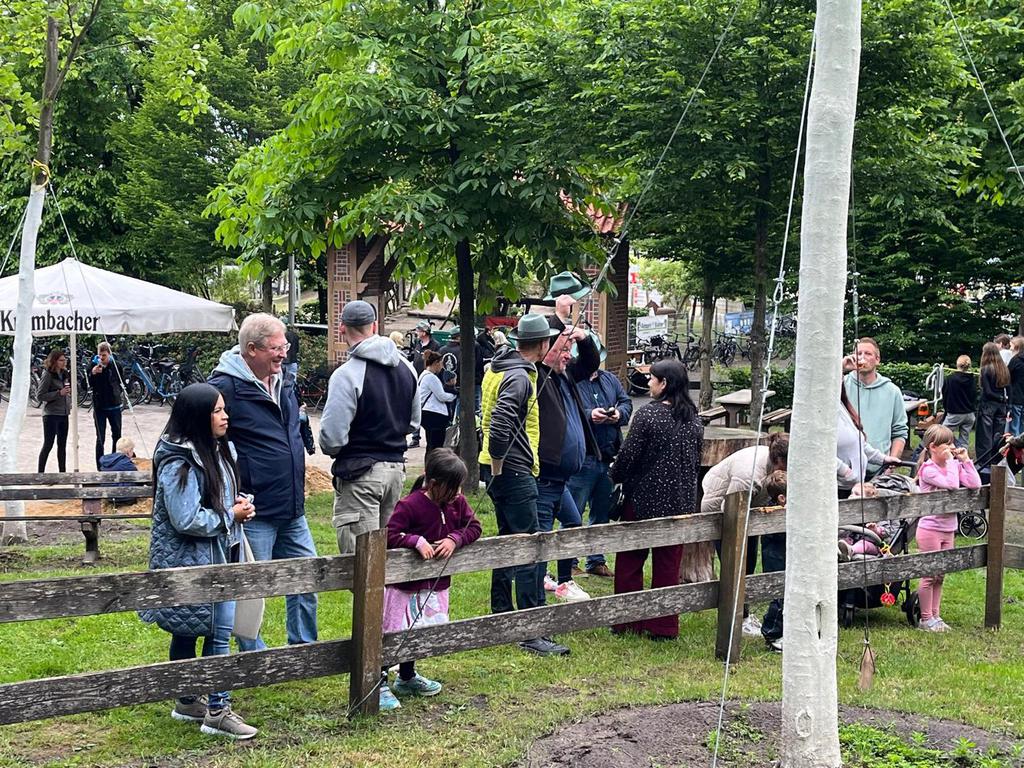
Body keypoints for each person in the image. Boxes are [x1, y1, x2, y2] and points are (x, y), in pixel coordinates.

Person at [138, 383, 258, 740]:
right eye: (217, 411)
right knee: (216, 631)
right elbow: (186, 518)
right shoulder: (180, 461)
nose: (225, 416)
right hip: (192, 559)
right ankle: (217, 711)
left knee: (192, 629)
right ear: (197, 417)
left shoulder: (216, 449)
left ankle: (188, 701)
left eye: (224, 409)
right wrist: (230, 516)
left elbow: (214, 497)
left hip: (217, 553)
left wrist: (238, 503)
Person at [208, 313, 318, 650]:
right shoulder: (224, 388)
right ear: (252, 349)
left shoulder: (284, 380)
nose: (284, 353)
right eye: (276, 348)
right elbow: (207, 446)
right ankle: (254, 656)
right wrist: (230, 492)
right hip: (254, 510)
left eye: (285, 346)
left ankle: (303, 650)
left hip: (292, 507)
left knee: (307, 578)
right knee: (252, 588)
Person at [480, 312, 568, 656]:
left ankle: (501, 616)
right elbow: (502, 421)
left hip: (498, 467)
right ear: (543, 344)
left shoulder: (500, 366)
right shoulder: (519, 376)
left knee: (507, 541)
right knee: (529, 546)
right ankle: (530, 631)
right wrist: (500, 461)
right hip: (512, 469)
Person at [381, 449, 482, 710]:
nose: (458, 493)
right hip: (405, 588)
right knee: (395, 630)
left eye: (459, 486)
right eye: (453, 487)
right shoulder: (410, 505)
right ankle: (378, 682)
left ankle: (407, 677)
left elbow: (474, 527)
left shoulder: (457, 503)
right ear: (434, 484)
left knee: (419, 631)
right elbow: (389, 535)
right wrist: (415, 541)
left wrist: (455, 539)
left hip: (435, 585)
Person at [609, 359, 703, 640]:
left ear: (664, 383)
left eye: (652, 378)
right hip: (680, 503)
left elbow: (628, 456)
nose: (648, 382)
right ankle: (664, 625)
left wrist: (615, 474)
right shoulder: (693, 418)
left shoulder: (648, 415)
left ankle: (628, 621)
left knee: (630, 560)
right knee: (668, 564)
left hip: (643, 499)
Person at [320, 300, 420, 554]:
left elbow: (331, 439)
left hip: (360, 474)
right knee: (385, 556)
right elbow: (413, 423)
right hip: (395, 472)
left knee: (362, 562)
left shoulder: (346, 374)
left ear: (341, 328)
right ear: (374, 326)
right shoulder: (408, 369)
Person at [535, 317, 601, 603]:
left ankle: (564, 580)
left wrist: (582, 338)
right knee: (541, 537)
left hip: (561, 480)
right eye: (563, 350)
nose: (567, 356)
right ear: (545, 348)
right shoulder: (539, 376)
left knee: (573, 524)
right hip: (544, 477)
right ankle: (538, 582)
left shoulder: (566, 375)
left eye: (569, 351)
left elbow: (591, 362)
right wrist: (557, 317)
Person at [698, 433, 790, 637]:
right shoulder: (749, 475)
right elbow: (730, 510)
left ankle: (744, 616)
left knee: (748, 563)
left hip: (750, 510)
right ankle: (735, 621)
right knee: (736, 567)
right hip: (722, 510)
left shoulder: (769, 464)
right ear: (778, 459)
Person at [568, 364, 633, 578]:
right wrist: (589, 415)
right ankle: (569, 562)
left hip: (607, 457)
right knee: (573, 513)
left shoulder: (609, 379)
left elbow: (626, 402)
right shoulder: (571, 380)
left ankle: (596, 560)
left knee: (602, 512)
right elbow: (566, 410)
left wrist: (618, 414)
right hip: (582, 458)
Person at [915, 424, 981, 631]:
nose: (950, 447)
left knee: (941, 574)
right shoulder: (928, 470)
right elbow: (952, 485)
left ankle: (936, 616)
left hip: (948, 527)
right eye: (946, 444)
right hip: (930, 528)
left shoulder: (953, 466)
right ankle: (925, 618)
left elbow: (975, 484)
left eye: (951, 443)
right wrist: (953, 463)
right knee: (929, 574)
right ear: (933, 447)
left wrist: (966, 461)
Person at [842, 338, 909, 470]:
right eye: (858, 353)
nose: (862, 357)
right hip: (846, 470)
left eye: (868, 353)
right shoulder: (841, 385)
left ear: (877, 360)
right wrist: (841, 367)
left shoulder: (892, 391)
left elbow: (899, 432)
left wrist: (890, 466)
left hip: (879, 469)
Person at [837, 384, 900, 496]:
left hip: (855, 484)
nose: (841, 378)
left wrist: (882, 458)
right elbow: (818, 453)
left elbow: (857, 443)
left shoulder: (840, 405)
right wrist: (845, 472)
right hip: (838, 488)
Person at [757, 470, 788, 652]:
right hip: (775, 558)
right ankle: (772, 633)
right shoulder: (774, 515)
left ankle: (784, 631)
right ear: (782, 498)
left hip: (784, 556)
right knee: (779, 595)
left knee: (786, 594)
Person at [976, 341, 1010, 480]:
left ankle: (984, 464)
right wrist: (1005, 401)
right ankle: (996, 461)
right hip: (1001, 406)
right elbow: (1009, 389)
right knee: (997, 436)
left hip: (988, 405)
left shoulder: (985, 369)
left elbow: (988, 392)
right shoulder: (1003, 369)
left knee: (985, 436)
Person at [88, 341, 124, 469]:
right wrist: (92, 373)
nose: (102, 358)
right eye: (100, 355)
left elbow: (121, 381)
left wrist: (119, 392)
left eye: (104, 355)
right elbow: (86, 385)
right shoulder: (92, 365)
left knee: (117, 436)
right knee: (100, 438)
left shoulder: (116, 365)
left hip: (114, 405)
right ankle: (100, 466)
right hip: (100, 407)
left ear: (109, 354)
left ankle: (115, 463)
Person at [36, 348, 71, 473]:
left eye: (65, 360)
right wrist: (58, 393)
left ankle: (62, 472)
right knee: (48, 444)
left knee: (62, 445)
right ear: (54, 361)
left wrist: (68, 395)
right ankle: (40, 473)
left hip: (64, 413)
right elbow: (40, 395)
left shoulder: (65, 373)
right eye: (61, 360)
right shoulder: (48, 374)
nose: (64, 362)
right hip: (51, 414)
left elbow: (66, 388)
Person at [418, 349, 457, 452]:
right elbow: (442, 396)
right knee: (436, 446)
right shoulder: (431, 378)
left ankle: (429, 461)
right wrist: (454, 395)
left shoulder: (423, 375)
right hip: (435, 414)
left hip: (427, 413)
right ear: (436, 363)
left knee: (430, 444)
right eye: (441, 363)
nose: (442, 367)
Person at [941, 355, 977, 448]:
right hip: (969, 414)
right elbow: (974, 396)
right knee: (964, 439)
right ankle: (963, 454)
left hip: (955, 413)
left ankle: (946, 451)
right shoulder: (972, 379)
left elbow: (945, 394)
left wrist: (946, 408)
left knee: (942, 434)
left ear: (957, 364)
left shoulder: (950, 379)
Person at [1007, 338, 1024, 436]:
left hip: (1016, 396)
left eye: (1011, 345)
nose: (1010, 347)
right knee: (1022, 426)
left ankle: (1015, 444)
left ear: (1016, 346)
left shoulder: (1015, 360)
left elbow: (1007, 377)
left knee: (1014, 426)